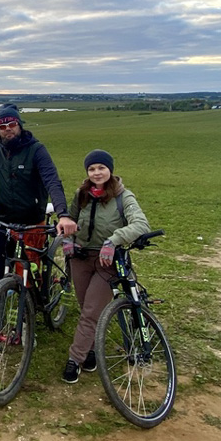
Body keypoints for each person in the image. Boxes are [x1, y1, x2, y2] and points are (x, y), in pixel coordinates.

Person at [0, 104, 77, 348]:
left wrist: (63, 214)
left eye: (11, 124)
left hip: (31, 223)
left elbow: (52, 182)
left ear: (19, 125)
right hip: (3, 221)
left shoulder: (36, 150)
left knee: (27, 276)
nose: (7, 130)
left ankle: (26, 327)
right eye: (2, 126)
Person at [61, 149, 150, 384]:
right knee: (87, 309)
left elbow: (141, 224)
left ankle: (75, 360)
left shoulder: (123, 196)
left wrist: (114, 240)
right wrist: (67, 241)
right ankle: (90, 353)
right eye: (91, 169)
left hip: (106, 262)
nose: (97, 172)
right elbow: (68, 221)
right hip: (80, 259)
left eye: (101, 168)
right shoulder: (81, 194)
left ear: (110, 170)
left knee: (90, 311)